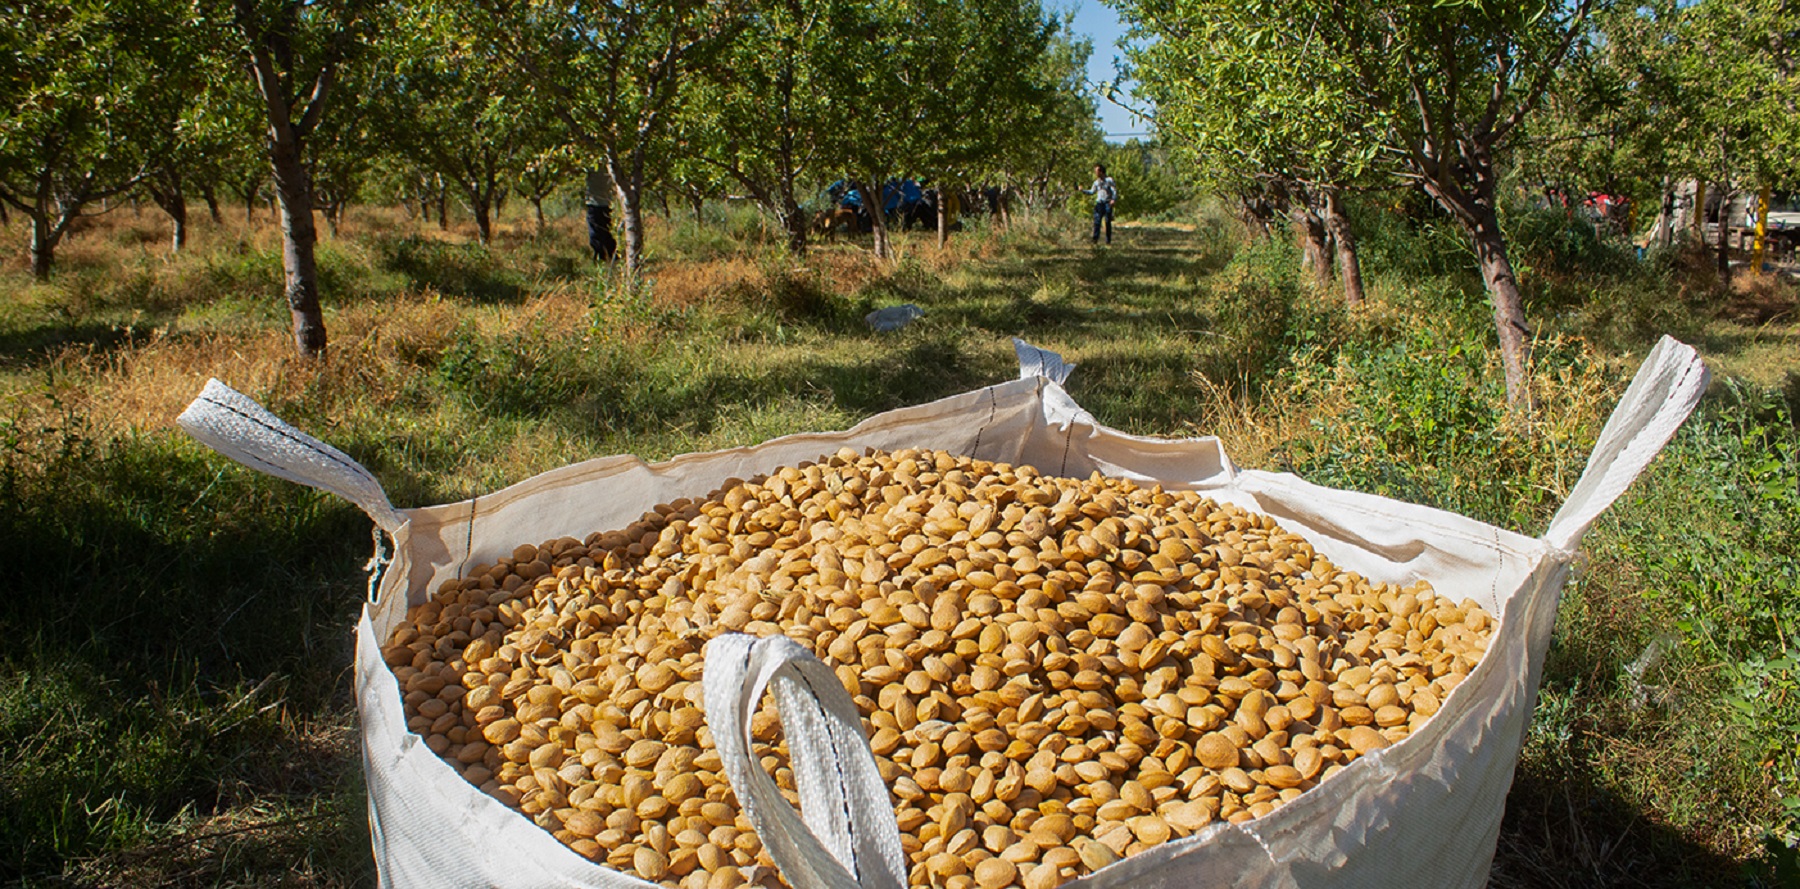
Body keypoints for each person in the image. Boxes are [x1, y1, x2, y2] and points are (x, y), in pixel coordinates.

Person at [1087, 163, 1118, 245]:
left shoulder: (1109, 180)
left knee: (1107, 222)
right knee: (1097, 222)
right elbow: (1092, 192)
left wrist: (1113, 199)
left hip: (1107, 203)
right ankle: (1095, 241)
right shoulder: (1096, 182)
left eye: (1096, 171)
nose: (1095, 173)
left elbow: (1114, 190)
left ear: (1101, 171)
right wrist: (1082, 190)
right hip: (1099, 204)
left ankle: (1108, 241)